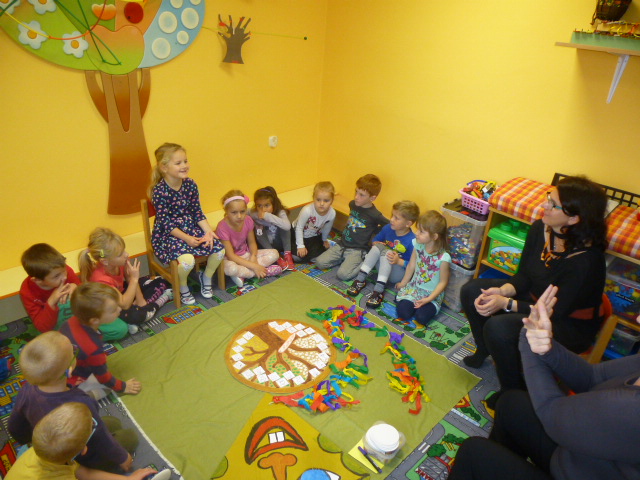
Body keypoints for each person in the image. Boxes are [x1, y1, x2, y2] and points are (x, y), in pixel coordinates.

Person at [449, 288, 640, 480]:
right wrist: (546, 348)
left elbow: (551, 412)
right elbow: (593, 377)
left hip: (573, 466)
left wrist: (528, 340)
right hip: (574, 458)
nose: (638, 318)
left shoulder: (632, 407)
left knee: (473, 452)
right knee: (510, 403)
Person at [460, 175, 608, 406]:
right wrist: (504, 290)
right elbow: (524, 275)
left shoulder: (586, 261)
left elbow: (555, 313)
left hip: (565, 324)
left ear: (573, 218)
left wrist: (506, 304)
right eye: (549, 198)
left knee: (498, 328)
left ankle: (512, 390)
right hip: (534, 298)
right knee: (471, 291)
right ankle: (485, 349)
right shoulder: (541, 228)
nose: (544, 205)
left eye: (553, 204)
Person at [8, 331, 138, 472]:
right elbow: (101, 437)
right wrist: (122, 457)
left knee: (113, 422)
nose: (76, 349)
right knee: (130, 437)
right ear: (69, 371)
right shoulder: (81, 402)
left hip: (53, 444)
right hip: (81, 458)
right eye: (74, 351)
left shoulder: (27, 388)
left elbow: (15, 425)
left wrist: (32, 443)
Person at [149, 142, 225, 305]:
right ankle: (182, 286)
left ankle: (206, 277)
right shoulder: (159, 191)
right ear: (164, 167)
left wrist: (208, 231)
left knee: (219, 250)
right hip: (169, 235)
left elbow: (197, 212)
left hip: (191, 228)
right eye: (178, 163)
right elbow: (166, 224)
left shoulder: (190, 184)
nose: (184, 166)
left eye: (185, 161)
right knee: (187, 261)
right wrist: (187, 239)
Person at [6, 402, 158, 480]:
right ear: (84, 449)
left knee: (112, 423)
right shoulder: (62, 477)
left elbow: (84, 472)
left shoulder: (41, 449)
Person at [79, 227, 172, 334]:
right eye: (120, 254)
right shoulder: (101, 280)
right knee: (138, 315)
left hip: (121, 294)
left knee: (160, 280)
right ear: (105, 261)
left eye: (124, 250)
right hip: (111, 307)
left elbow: (129, 278)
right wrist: (134, 279)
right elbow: (124, 304)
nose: (126, 254)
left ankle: (141, 309)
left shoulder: (118, 262)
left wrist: (140, 299)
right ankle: (161, 300)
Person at [60, 282, 142, 395]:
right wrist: (123, 387)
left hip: (60, 369)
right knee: (105, 389)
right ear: (94, 320)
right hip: (69, 380)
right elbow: (103, 377)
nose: (119, 309)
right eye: (113, 310)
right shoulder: (93, 347)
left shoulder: (70, 321)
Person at [314, 174, 388, 281]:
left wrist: (375, 233)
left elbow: (388, 225)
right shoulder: (353, 204)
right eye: (356, 192)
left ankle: (367, 262)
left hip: (357, 250)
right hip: (342, 244)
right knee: (319, 262)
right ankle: (344, 260)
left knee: (343, 275)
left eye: (361, 195)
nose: (356, 197)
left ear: (372, 198)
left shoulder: (375, 215)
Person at [347, 200, 419, 308]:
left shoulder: (412, 241)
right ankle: (360, 280)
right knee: (378, 247)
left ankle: (378, 291)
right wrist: (376, 244)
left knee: (387, 252)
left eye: (396, 218)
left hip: (397, 273)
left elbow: (412, 265)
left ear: (408, 223)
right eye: (392, 216)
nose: (392, 219)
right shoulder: (388, 228)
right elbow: (375, 240)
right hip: (382, 266)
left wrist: (398, 261)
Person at [394, 210, 450, 325]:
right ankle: (409, 302)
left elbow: (443, 282)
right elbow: (411, 265)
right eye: (417, 229)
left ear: (434, 236)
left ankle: (424, 307)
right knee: (403, 313)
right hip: (415, 289)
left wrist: (429, 299)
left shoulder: (444, 258)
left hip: (432, 295)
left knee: (421, 318)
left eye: (421, 231)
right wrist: (403, 283)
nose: (416, 233)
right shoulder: (418, 245)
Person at [216, 190, 281, 287]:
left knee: (274, 253)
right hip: (230, 260)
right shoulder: (222, 227)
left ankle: (244, 274)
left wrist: (253, 257)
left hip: (246, 255)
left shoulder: (248, 220)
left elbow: (251, 243)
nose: (239, 216)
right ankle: (265, 271)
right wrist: (254, 266)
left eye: (242, 211)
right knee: (231, 269)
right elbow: (230, 255)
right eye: (234, 212)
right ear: (226, 211)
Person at [19, 243, 81, 334]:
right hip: (55, 328)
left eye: (64, 270)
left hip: (76, 318)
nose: (64, 277)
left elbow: (86, 295)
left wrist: (76, 286)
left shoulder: (62, 270)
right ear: (38, 280)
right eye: (56, 276)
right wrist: (51, 302)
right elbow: (42, 327)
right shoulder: (27, 292)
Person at [250, 186, 294, 271]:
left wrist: (267, 216)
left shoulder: (280, 212)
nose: (263, 209)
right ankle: (276, 257)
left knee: (284, 227)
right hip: (267, 247)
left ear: (273, 204)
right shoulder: (255, 213)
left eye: (267, 205)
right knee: (258, 227)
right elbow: (247, 212)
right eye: (259, 206)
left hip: (280, 243)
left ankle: (287, 254)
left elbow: (287, 226)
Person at [291, 181, 337, 264]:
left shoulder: (332, 213)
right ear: (313, 198)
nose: (321, 204)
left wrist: (324, 240)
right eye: (318, 200)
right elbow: (299, 228)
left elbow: (327, 228)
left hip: (314, 235)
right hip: (297, 233)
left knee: (318, 256)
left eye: (326, 200)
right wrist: (300, 246)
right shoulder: (307, 210)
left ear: (332, 200)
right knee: (296, 257)